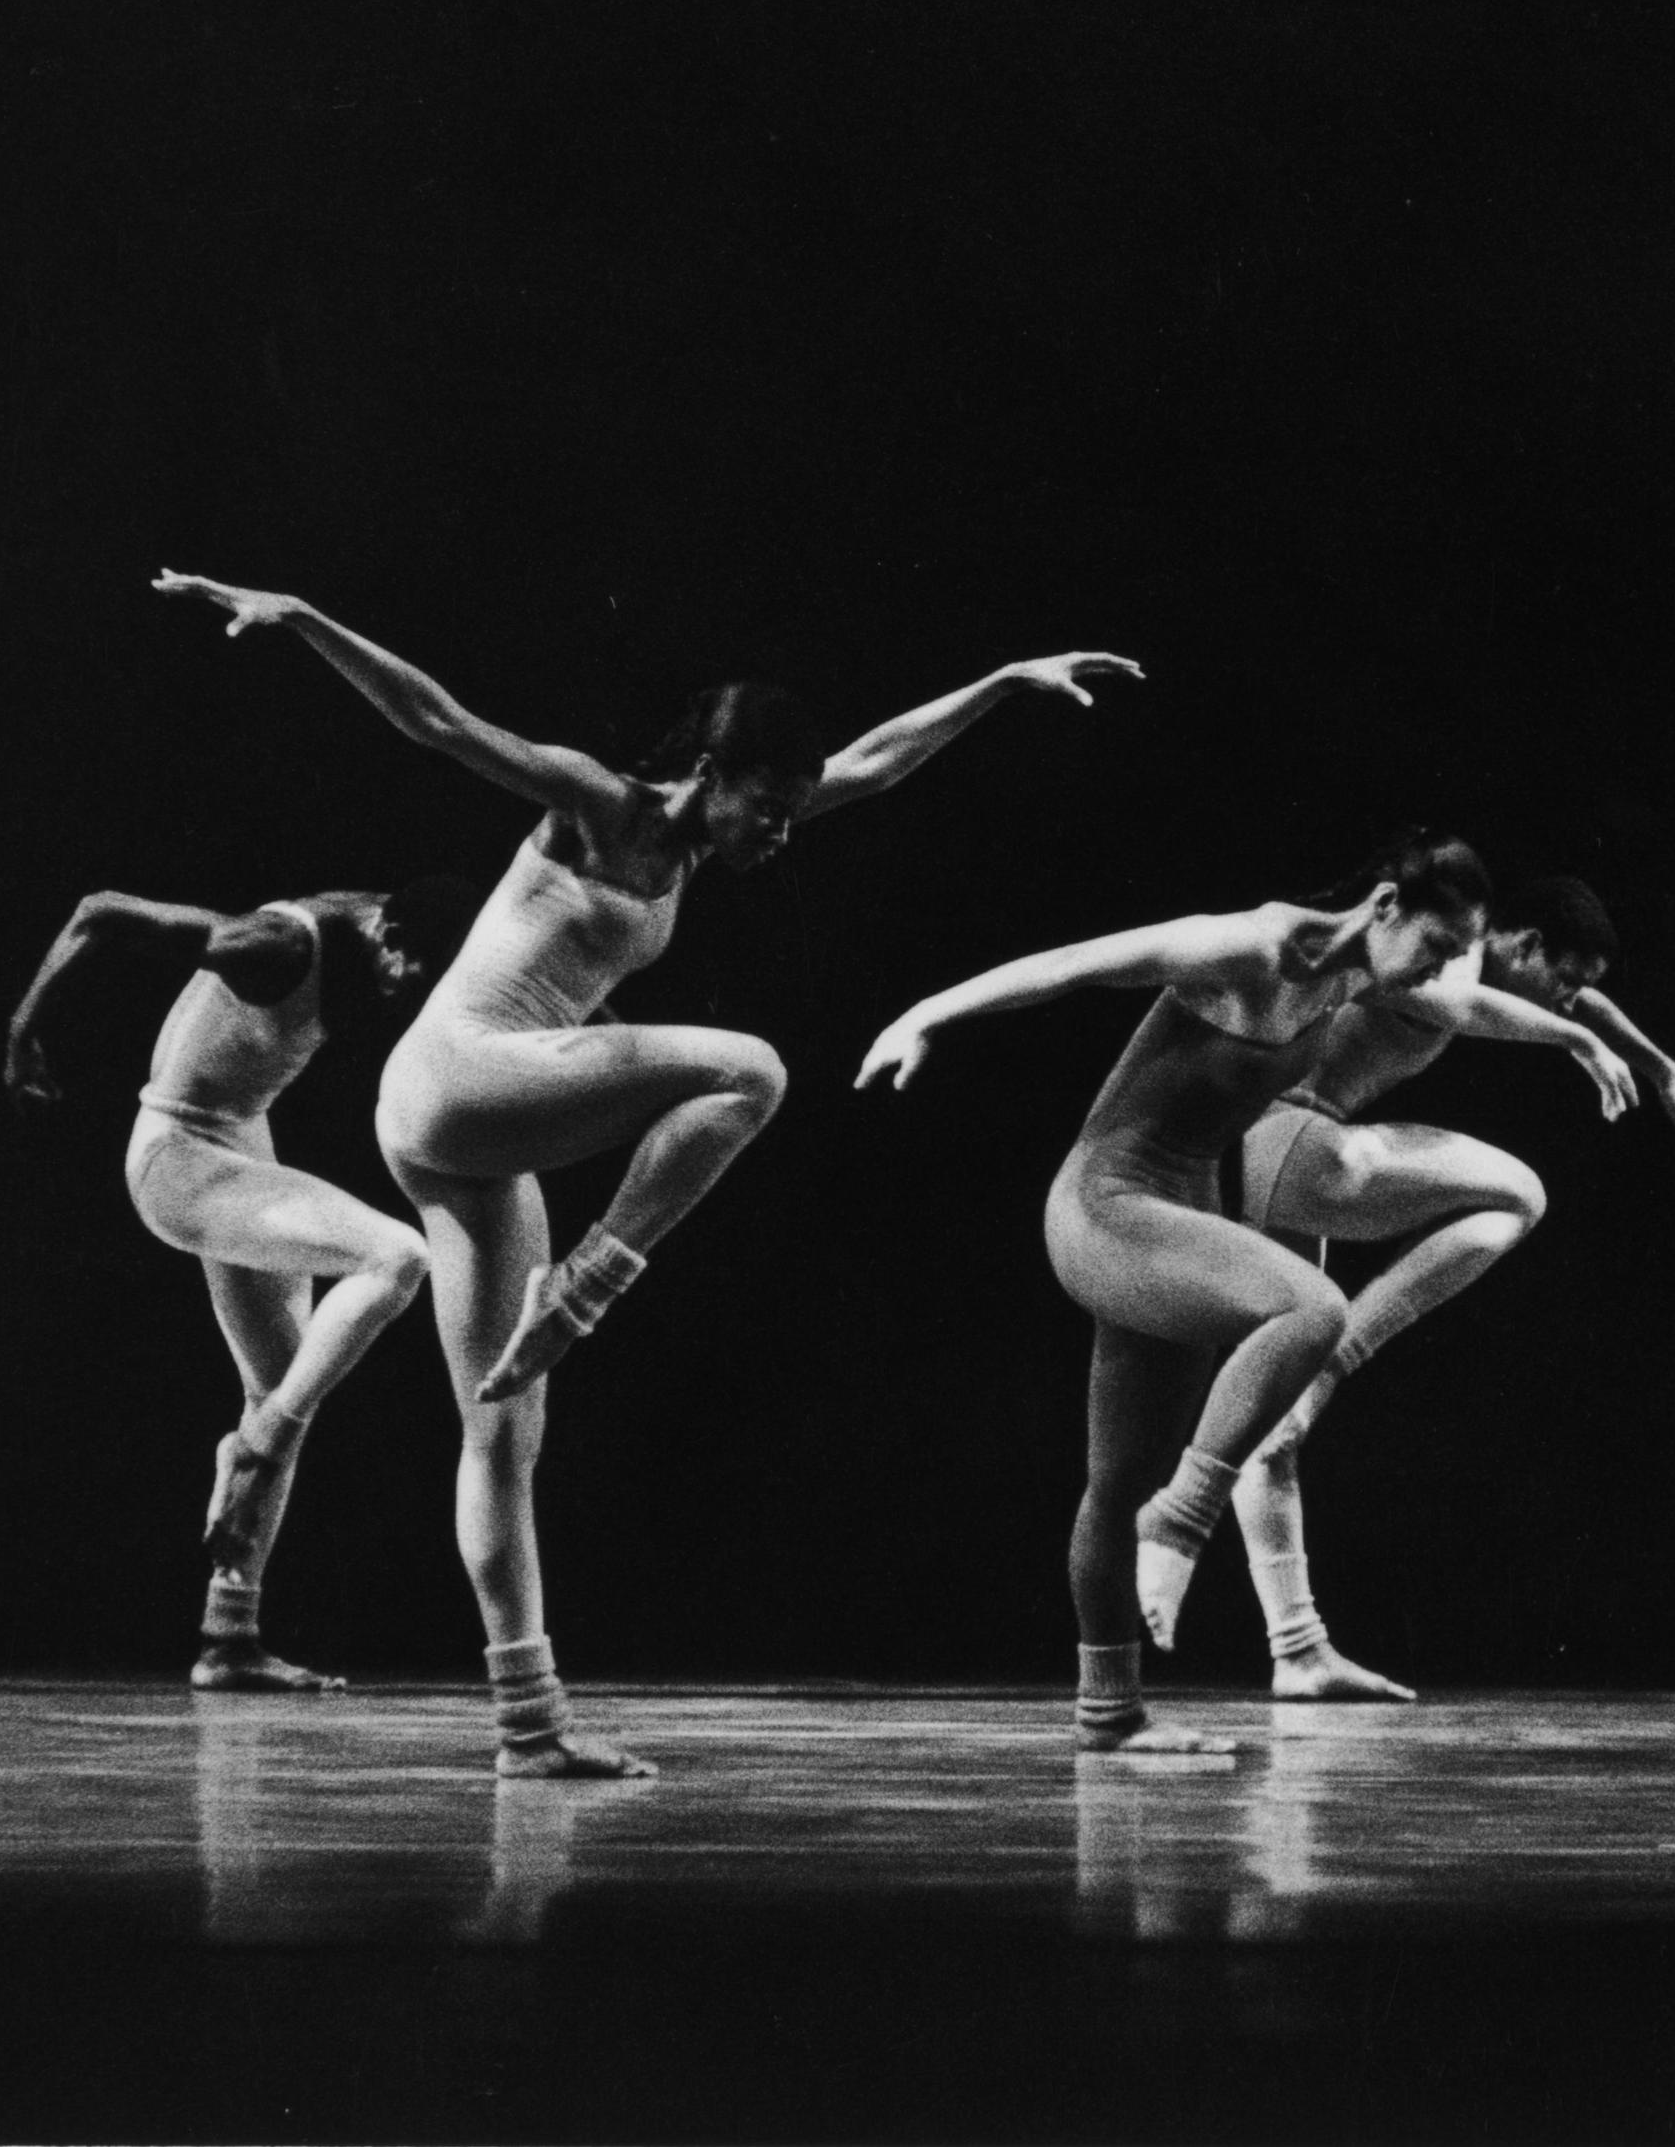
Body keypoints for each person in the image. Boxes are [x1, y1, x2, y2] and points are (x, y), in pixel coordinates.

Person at [157, 568, 1138, 1776]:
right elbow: (441, 720)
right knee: (752, 1069)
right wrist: (302, 619)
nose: (778, 832)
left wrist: (1000, 683)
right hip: (464, 1072)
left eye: (787, 812)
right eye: (764, 808)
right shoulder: (601, 804)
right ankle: (585, 1287)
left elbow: (877, 764)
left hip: (471, 1128)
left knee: (504, 1430)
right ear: (709, 778)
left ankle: (529, 1724)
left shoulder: (720, 833)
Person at [854, 836, 1494, 1755]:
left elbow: (1481, 1007)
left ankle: (1109, 1711)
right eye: (1439, 943)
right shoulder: (1250, 949)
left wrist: (1598, 1039)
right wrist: (926, 1015)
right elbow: (1073, 965)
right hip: (1105, 1206)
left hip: (1181, 1212)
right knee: (1311, 1308)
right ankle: (1184, 1519)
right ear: (1386, 904)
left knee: (1116, 1481)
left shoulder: (1357, 977)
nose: (1442, 969)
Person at [1228, 874, 1675, 1700]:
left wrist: (1663, 1070)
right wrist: (1578, 1045)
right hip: (1300, 1141)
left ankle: (1296, 1647)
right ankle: (1339, 1357)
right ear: (1520, 943)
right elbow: (1467, 1007)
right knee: (1519, 1192)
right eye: (1560, 980)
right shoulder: (1441, 960)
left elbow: (1587, 1007)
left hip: (1268, 1156)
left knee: (1269, 1429)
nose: (1570, 1002)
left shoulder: (1475, 960)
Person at [2, 870, 482, 1689]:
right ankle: (262, 1446)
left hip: (236, 1147)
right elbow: (103, 911)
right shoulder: (280, 945)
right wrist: (24, 1028)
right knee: (397, 1256)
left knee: (279, 1381)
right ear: (391, 937)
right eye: (416, 978)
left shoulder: (376, 932)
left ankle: (229, 1636)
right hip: (179, 1159)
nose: (408, 999)